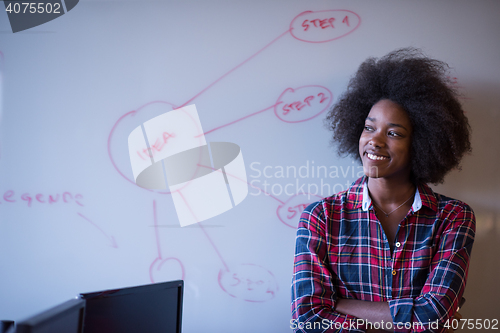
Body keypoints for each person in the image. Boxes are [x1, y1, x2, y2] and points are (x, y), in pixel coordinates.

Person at [290, 48, 475, 333]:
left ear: (422, 142)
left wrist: (339, 304)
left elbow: (433, 316)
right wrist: (410, 317)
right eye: (369, 127)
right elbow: (308, 318)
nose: (374, 141)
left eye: (393, 133)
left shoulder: (453, 217)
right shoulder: (321, 217)